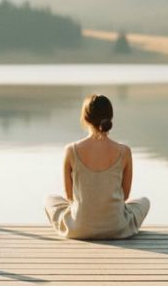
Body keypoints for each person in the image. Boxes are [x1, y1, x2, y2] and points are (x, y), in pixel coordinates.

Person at [45, 94, 150, 240]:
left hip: (79, 228)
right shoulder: (124, 151)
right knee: (144, 201)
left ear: (85, 119)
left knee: (50, 200)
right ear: (110, 118)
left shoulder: (71, 150)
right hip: (117, 228)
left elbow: (70, 197)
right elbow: (125, 196)